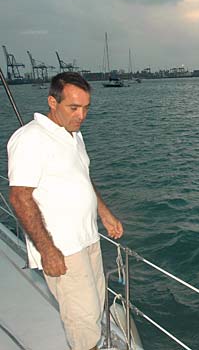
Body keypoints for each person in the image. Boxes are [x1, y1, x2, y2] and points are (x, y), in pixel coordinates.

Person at [8, 72, 124, 350]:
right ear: (52, 101)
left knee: (94, 309)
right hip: (62, 246)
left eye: (86, 108)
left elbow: (82, 178)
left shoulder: (72, 135)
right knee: (81, 320)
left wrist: (104, 213)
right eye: (74, 107)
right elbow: (19, 197)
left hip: (87, 238)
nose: (81, 115)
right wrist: (48, 251)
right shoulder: (30, 139)